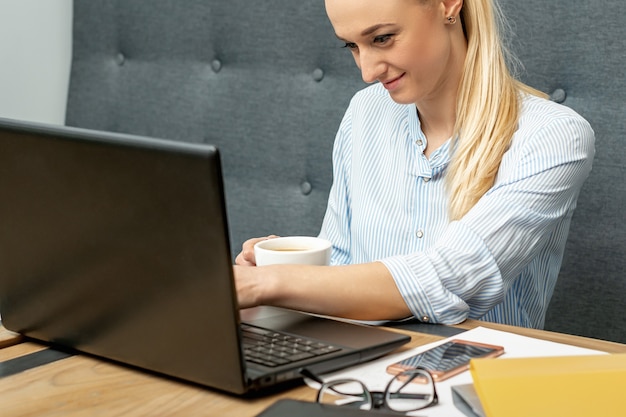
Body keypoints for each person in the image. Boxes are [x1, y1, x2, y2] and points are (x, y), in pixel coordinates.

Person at [233, 0, 595, 328]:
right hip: (355, 374)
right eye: (352, 47)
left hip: (479, 384)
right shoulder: (364, 111)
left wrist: (269, 284)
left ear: (448, 5)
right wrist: (287, 269)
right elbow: (341, 265)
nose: (368, 71)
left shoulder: (552, 136)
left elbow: (451, 278)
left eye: (383, 38)